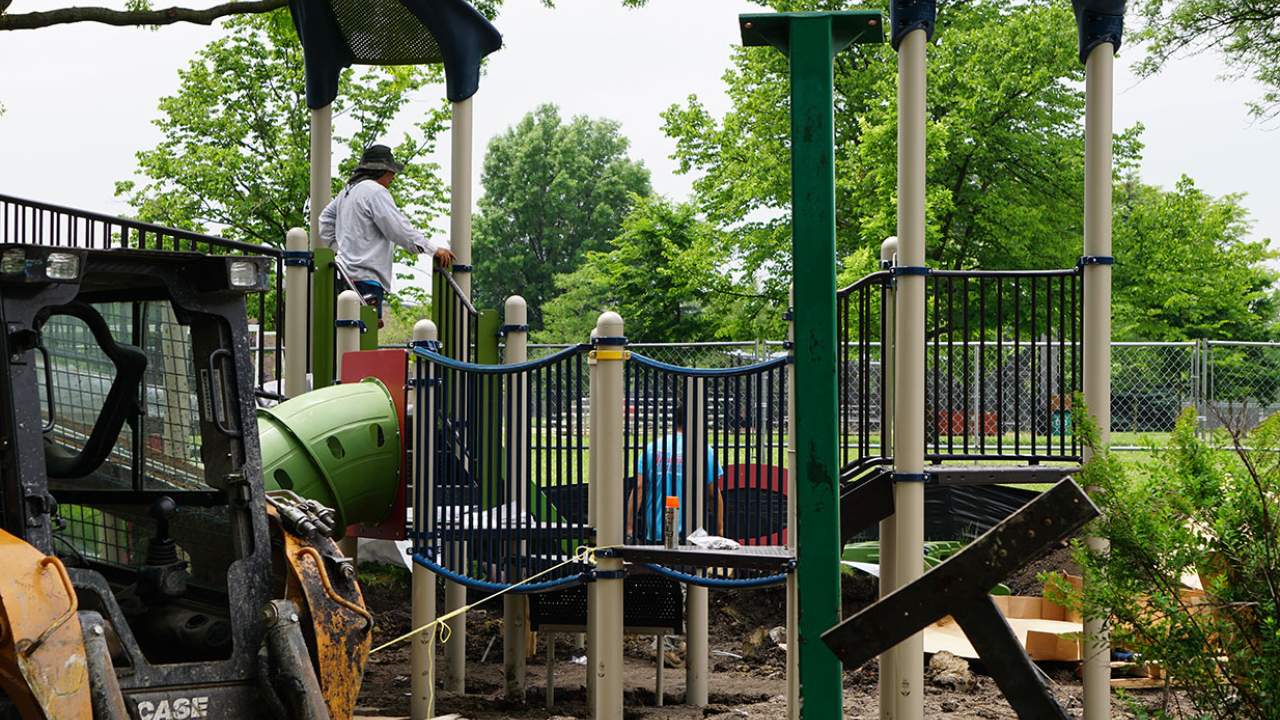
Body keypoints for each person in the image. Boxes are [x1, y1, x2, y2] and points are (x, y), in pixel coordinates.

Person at [319, 144, 454, 322]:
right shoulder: (375, 191)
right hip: (366, 278)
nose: (393, 177)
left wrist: (342, 249)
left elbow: (325, 221)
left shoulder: (347, 192)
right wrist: (433, 250)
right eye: (391, 172)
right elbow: (398, 229)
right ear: (382, 171)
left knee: (345, 335)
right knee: (362, 340)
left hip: (343, 276)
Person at [627, 403, 725, 543]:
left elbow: (639, 487)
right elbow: (713, 494)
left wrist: (629, 528)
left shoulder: (652, 448)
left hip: (656, 531)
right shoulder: (703, 450)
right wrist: (720, 530)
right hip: (692, 534)